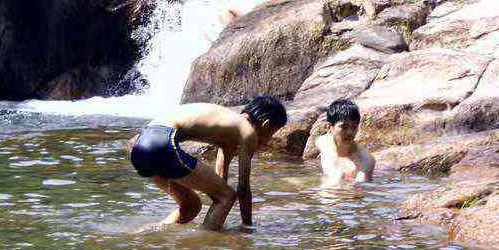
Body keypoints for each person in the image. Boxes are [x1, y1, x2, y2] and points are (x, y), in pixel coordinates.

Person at [128, 96, 288, 231]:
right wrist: (247, 226)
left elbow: (219, 183)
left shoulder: (229, 126)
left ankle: (146, 234)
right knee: (227, 196)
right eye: (271, 133)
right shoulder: (248, 132)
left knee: (191, 206)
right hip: (162, 142)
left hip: (140, 146)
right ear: (265, 124)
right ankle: (206, 242)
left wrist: (220, 213)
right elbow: (243, 187)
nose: (268, 140)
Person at [315, 98, 375, 185]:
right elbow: (317, 141)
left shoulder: (365, 160)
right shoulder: (324, 142)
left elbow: (360, 191)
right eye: (344, 127)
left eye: (354, 127)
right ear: (329, 128)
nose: (350, 132)